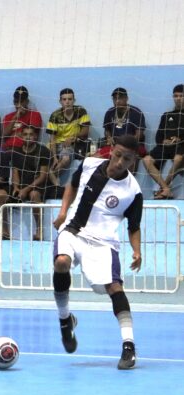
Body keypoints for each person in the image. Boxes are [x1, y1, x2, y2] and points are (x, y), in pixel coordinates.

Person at [52, 135, 143, 370]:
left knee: (115, 288)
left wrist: (137, 251)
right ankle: (65, 320)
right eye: (119, 155)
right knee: (61, 262)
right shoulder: (89, 163)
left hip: (103, 242)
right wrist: (63, 212)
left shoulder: (133, 191)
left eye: (128, 159)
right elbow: (71, 185)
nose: (121, 161)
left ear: (134, 161)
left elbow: (134, 226)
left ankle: (129, 347)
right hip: (72, 230)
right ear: (111, 150)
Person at [11, 125, 56, 241]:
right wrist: (16, 187)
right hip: (22, 185)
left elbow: (43, 176)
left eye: (31, 134)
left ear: (35, 136)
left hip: (40, 185)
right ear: (21, 136)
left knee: (34, 195)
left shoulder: (43, 151)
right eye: (25, 134)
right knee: (0, 194)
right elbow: (15, 172)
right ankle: (3, 231)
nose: (28, 137)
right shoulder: (16, 152)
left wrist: (25, 190)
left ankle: (39, 230)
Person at [142, 84, 184, 199]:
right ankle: (166, 189)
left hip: (181, 147)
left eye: (181, 96)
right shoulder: (166, 115)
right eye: (176, 96)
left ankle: (163, 188)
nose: (178, 98)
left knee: (178, 158)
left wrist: (179, 139)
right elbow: (158, 137)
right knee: (146, 160)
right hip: (165, 147)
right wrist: (163, 141)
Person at [46, 88, 91, 183]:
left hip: (70, 145)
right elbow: (52, 139)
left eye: (70, 99)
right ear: (60, 101)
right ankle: (50, 178)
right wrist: (54, 157)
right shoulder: (55, 115)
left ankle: (49, 178)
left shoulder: (81, 111)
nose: (67, 102)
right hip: (56, 144)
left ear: (74, 100)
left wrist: (73, 138)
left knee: (66, 158)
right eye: (64, 99)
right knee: (46, 158)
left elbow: (85, 131)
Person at [99, 88, 146, 160]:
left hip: (132, 146)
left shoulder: (136, 112)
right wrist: (109, 137)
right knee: (94, 157)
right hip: (114, 146)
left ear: (127, 98)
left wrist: (124, 144)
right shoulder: (110, 112)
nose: (117, 101)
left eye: (120, 98)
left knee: (125, 157)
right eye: (115, 99)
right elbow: (107, 130)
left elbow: (139, 135)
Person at [2, 86, 43, 153]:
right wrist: (15, 118)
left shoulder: (35, 114)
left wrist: (12, 134)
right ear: (13, 102)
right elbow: (4, 135)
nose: (19, 105)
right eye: (16, 102)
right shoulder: (8, 116)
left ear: (27, 101)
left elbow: (32, 136)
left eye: (21, 101)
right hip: (7, 149)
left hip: (24, 150)